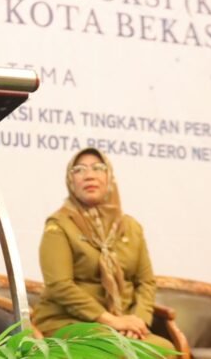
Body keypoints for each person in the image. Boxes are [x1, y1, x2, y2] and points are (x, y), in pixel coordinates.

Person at [33, 147, 176, 353]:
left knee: (164, 349)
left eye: (98, 168)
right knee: (112, 348)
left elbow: (146, 282)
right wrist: (110, 320)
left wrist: (138, 321)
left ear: (110, 178)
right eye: (79, 170)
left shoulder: (131, 227)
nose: (89, 175)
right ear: (70, 181)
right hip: (67, 321)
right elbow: (59, 285)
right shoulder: (59, 225)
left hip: (122, 324)